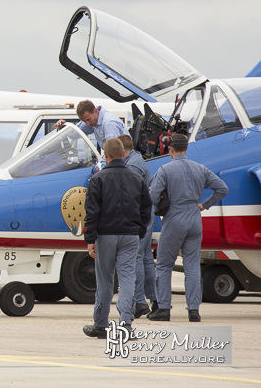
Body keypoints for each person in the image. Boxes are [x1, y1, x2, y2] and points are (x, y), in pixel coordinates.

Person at [147, 134, 228, 322]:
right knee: (192, 266)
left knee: (165, 264)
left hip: (174, 217)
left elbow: (151, 197)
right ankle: (193, 310)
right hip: (194, 216)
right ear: (186, 148)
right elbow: (222, 189)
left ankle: (164, 308)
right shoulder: (200, 168)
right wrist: (204, 205)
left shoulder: (165, 169)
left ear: (171, 149)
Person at [82, 138, 152, 338]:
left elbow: (92, 211)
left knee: (105, 279)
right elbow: (146, 208)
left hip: (106, 235)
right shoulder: (137, 178)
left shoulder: (98, 179)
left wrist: (90, 238)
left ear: (106, 156)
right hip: (130, 235)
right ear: (124, 154)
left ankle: (101, 324)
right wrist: (139, 230)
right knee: (128, 278)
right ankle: (126, 324)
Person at [117, 134, 158, 318]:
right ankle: (156, 299)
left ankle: (139, 301)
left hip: (138, 216)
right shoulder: (135, 160)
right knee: (146, 258)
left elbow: (130, 195)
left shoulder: (132, 165)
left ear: (122, 151)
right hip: (145, 214)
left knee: (135, 258)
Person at [55, 100, 128, 150]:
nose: (87, 124)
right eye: (84, 121)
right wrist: (64, 127)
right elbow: (75, 134)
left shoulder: (108, 123)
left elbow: (113, 151)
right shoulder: (92, 120)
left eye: (88, 120)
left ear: (96, 111)